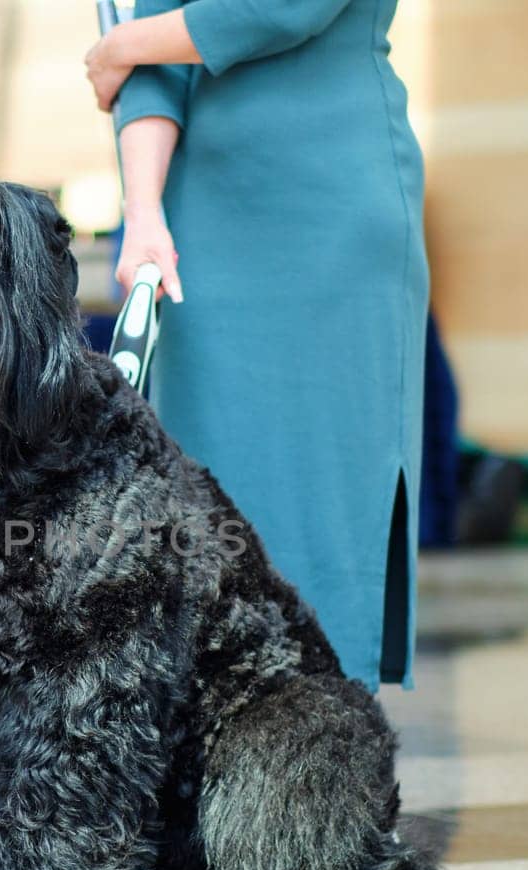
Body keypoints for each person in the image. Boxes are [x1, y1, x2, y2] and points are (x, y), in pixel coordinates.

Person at [86, 0, 428, 689]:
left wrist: (124, 42)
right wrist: (144, 212)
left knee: (321, 491)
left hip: (330, 211)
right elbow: (152, 65)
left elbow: (283, 8)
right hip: (202, 226)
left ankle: (321, 744)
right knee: (204, 481)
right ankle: (210, 734)